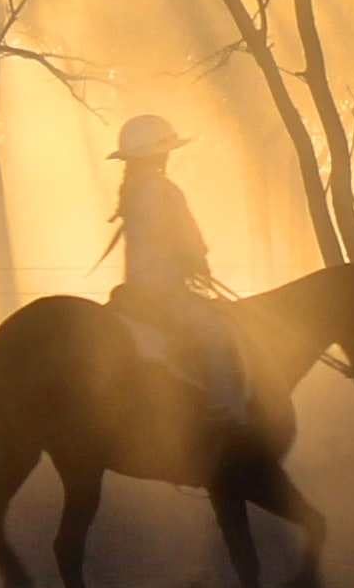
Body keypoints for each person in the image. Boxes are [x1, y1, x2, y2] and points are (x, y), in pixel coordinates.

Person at [105, 114, 252, 431]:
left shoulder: (131, 190)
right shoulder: (164, 190)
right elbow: (191, 241)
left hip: (135, 288)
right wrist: (199, 266)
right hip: (164, 291)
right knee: (217, 334)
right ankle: (223, 406)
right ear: (159, 154)